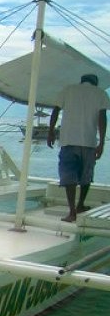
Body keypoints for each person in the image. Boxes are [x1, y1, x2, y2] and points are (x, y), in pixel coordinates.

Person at [47, 73, 110, 222]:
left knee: (69, 176)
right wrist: (101, 143)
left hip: (68, 140)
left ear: (81, 81)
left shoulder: (68, 90)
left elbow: (55, 110)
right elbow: (102, 118)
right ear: (95, 83)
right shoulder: (100, 93)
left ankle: (72, 212)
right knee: (86, 176)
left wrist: (50, 132)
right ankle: (81, 204)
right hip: (88, 142)